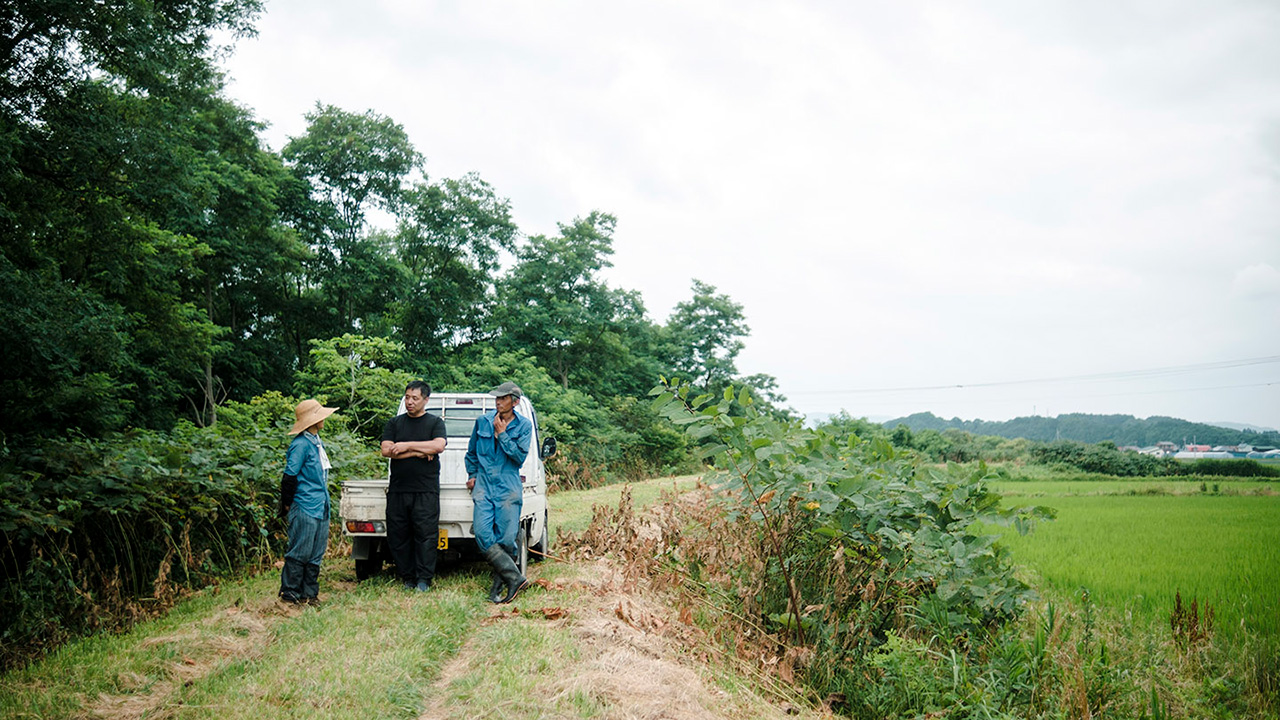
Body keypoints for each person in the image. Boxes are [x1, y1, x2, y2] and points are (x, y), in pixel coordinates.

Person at [465, 381, 533, 603]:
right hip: (484, 485)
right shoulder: (482, 422)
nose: (498, 402)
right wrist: (472, 474)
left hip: (508, 485)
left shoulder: (523, 426)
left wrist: (503, 434)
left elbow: (519, 457)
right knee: (483, 534)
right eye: (497, 398)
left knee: (505, 538)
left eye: (503, 398)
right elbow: (472, 452)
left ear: (514, 402)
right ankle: (515, 578)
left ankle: (500, 586)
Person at [381, 380, 447, 591]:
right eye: (407, 397)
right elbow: (386, 450)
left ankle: (424, 579)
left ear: (425, 400)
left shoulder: (435, 422)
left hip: (425, 489)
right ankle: (407, 576)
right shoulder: (395, 423)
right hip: (399, 489)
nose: (410, 402)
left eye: (415, 398)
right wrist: (420, 452)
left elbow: (438, 446)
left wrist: (407, 446)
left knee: (426, 536)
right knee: (398, 534)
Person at [279, 399, 337, 606]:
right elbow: (289, 477)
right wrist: (286, 505)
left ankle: (309, 594)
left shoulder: (316, 441)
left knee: (316, 552)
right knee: (300, 550)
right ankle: (290, 593)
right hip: (304, 504)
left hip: (321, 505)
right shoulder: (301, 444)